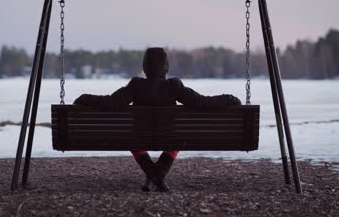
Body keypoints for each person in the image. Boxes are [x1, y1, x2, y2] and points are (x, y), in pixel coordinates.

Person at [74, 47, 241, 192]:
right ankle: (158, 176)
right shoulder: (174, 86)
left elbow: (110, 103)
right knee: (177, 139)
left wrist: (85, 98)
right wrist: (229, 99)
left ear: (145, 68)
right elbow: (204, 103)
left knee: (133, 140)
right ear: (166, 67)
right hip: (170, 139)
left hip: (139, 139)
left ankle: (154, 175)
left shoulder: (136, 85)